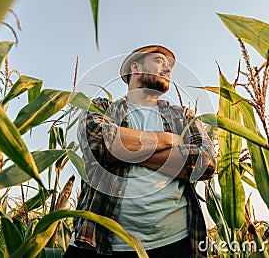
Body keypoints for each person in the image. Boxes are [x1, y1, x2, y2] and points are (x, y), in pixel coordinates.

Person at [64, 45, 216, 258]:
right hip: (100, 240)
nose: (167, 69)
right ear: (135, 67)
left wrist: (124, 150)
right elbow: (98, 143)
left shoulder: (181, 116)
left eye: (169, 65)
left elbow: (205, 163)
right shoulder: (102, 108)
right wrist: (169, 140)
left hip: (174, 242)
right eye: (159, 61)